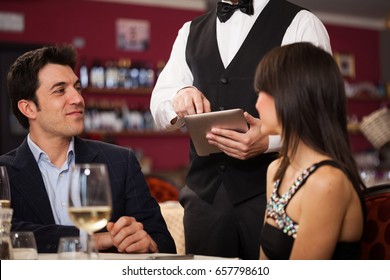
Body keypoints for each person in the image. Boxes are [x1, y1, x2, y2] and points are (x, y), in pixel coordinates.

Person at [150, 0, 331, 259]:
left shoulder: (302, 22)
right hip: (204, 198)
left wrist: (269, 142)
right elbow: (159, 103)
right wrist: (180, 94)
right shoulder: (189, 31)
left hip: (273, 194)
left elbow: (320, 113)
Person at [0, 44, 176, 254]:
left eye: (77, 88)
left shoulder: (121, 162)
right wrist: (92, 240)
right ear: (28, 108)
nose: (77, 99)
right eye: (60, 90)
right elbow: (8, 232)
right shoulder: (4, 173)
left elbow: (165, 243)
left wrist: (148, 243)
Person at [255, 42, 366, 259]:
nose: (257, 103)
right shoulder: (276, 169)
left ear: (291, 97)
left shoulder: (326, 182)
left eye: (263, 92)